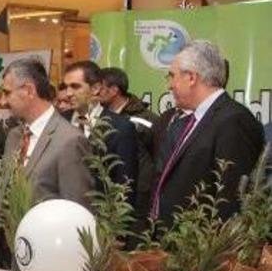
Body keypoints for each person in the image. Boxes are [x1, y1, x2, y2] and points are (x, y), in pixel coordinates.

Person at [151, 40, 264, 226]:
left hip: (201, 248)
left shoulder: (234, 121)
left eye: (172, 76)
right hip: (173, 241)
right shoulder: (193, 118)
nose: (169, 85)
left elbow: (230, 199)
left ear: (192, 78)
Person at [0, 58, 94, 208]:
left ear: (29, 90)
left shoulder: (70, 141)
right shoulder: (14, 136)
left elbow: (77, 210)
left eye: (7, 93)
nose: (2, 102)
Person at [62, 61, 139, 201]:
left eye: (75, 86)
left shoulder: (120, 127)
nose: (68, 93)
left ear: (96, 88)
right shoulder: (58, 122)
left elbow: (125, 185)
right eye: (65, 87)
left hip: (101, 216)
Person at [98, 67, 159, 221]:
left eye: (100, 87)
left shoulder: (145, 119)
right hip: (108, 195)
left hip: (138, 196)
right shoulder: (99, 118)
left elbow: (157, 154)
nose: (96, 92)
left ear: (113, 91)